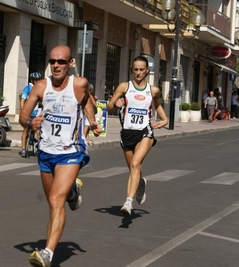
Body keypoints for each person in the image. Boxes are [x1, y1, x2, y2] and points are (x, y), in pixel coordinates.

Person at [19, 44, 101, 267]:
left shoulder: (79, 84)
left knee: (56, 200)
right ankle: (73, 190)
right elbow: (23, 116)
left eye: (61, 62)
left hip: (70, 151)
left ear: (70, 63)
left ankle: (47, 253)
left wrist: (92, 122)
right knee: (53, 201)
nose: (56, 65)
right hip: (46, 151)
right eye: (52, 61)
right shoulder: (40, 87)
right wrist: (30, 122)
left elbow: (86, 102)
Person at [106, 56, 168, 217]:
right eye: (136, 69)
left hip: (144, 132)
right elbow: (108, 106)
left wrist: (164, 119)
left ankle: (128, 202)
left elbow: (157, 104)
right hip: (127, 132)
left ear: (147, 70)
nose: (139, 72)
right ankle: (140, 182)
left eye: (142, 69)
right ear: (131, 70)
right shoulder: (124, 87)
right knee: (133, 169)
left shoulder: (153, 90)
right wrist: (115, 104)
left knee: (135, 164)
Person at [19, 72, 42, 157]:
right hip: (28, 113)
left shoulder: (40, 89)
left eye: (37, 80)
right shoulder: (27, 88)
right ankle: (23, 149)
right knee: (25, 131)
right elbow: (22, 100)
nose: (36, 81)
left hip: (36, 113)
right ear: (31, 80)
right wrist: (23, 111)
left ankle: (39, 147)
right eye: (34, 80)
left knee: (38, 130)